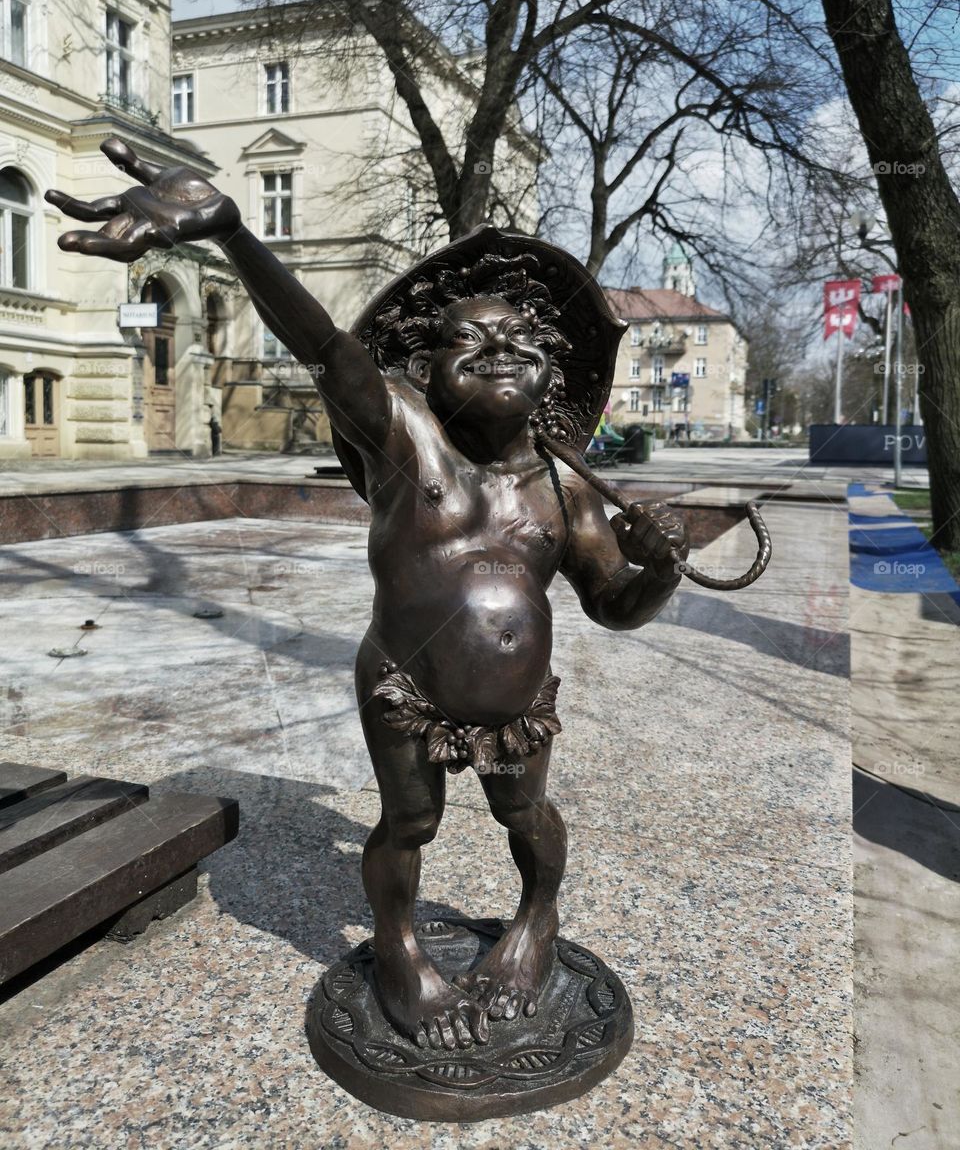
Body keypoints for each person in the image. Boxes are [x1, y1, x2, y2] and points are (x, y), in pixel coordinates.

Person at [46, 138, 689, 1054]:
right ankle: (397, 948)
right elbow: (322, 344)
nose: (499, 349)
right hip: (404, 683)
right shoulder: (402, 435)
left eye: (520, 341)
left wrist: (658, 571)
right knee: (408, 822)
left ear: (552, 374)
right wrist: (234, 233)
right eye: (468, 338)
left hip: (519, 704)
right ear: (423, 367)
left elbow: (615, 606)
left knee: (527, 817)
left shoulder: (567, 483)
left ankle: (535, 919)